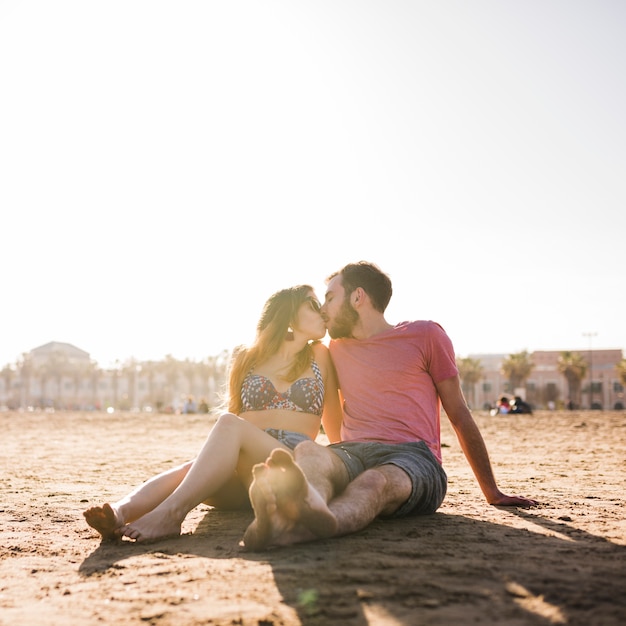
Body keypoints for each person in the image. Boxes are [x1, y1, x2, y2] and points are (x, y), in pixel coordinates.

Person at [243, 262, 538, 550]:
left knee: (373, 482)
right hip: (353, 452)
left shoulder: (425, 336)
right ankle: (297, 514)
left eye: (330, 298)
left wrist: (492, 491)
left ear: (358, 297)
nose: (323, 308)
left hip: (414, 458)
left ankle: (322, 522)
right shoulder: (336, 349)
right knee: (309, 452)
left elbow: (459, 413)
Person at [83, 284, 342, 543]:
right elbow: (234, 420)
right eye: (313, 304)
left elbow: (335, 428)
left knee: (228, 425)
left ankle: (171, 513)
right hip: (242, 477)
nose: (322, 312)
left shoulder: (320, 354)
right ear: (288, 312)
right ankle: (119, 512)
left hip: (286, 465)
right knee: (191, 469)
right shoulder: (246, 357)